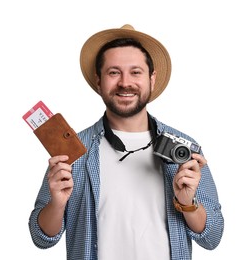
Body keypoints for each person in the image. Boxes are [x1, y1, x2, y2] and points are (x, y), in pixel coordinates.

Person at [29, 24, 224, 260]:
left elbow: (213, 237)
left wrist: (187, 203)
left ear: (152, 79)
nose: (124, 82)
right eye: (113, 72)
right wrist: (57, 205)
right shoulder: (73, 152)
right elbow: (40, 238)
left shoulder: (185, 150)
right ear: (99, 81)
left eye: (135, 72)